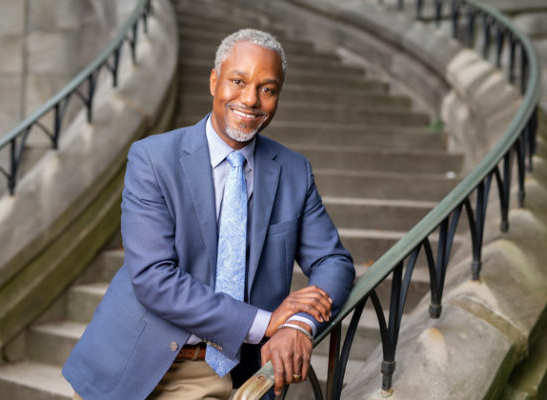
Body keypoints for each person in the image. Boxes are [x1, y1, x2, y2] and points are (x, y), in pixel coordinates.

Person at [62, 28, 354, 399]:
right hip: (126, 358)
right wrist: (264, 323)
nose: (251, 99)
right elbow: (153, 277)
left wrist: (298, 323)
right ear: (214, 80)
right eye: (238, 81)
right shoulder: (153, 159)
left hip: (217, 371)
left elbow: (333, 260)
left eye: (267, 89)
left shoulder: (293, 171)